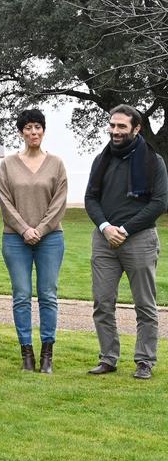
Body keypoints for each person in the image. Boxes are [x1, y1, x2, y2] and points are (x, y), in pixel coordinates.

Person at [83, 104, 168, 380]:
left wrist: (126, 229)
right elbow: (90, 199)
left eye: (121, 126)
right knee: (102, 303)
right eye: (112, 125)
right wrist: (106, 227)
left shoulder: (153, 161)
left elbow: (160, 203)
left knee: (145, 304)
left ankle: (145, 361)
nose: (115, 131)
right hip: (104, 240)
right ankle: (108, 358)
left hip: (140, 240)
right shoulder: (101, 159)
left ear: (136, 128)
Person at [0, 108, 68, 372]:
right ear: (21, 132)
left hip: (51, 239)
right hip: (16, 239)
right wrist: (25, 229)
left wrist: (41, 228)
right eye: (28, 128)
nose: (33, 132)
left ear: (44, 130)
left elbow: (59, 203)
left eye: (38, 127)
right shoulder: (8, 164)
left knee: (48, 295)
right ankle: (26, 353)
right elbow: (4, 202)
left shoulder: (57, 164)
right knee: (22, 295)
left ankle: (47, 353)